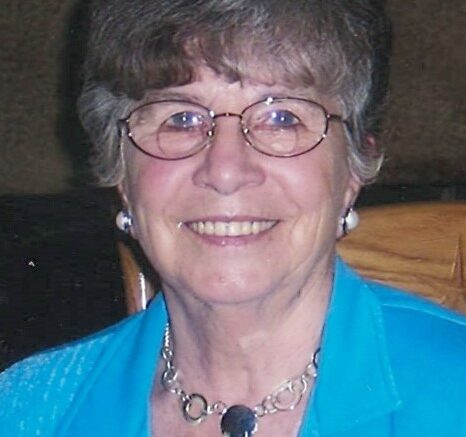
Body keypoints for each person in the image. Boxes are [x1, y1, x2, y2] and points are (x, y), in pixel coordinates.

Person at [1, 0, 466, 435]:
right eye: (180, 119)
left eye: (282, 118)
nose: (225, 171)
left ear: (353, 169)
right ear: (120, 171)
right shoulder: (27, 410)